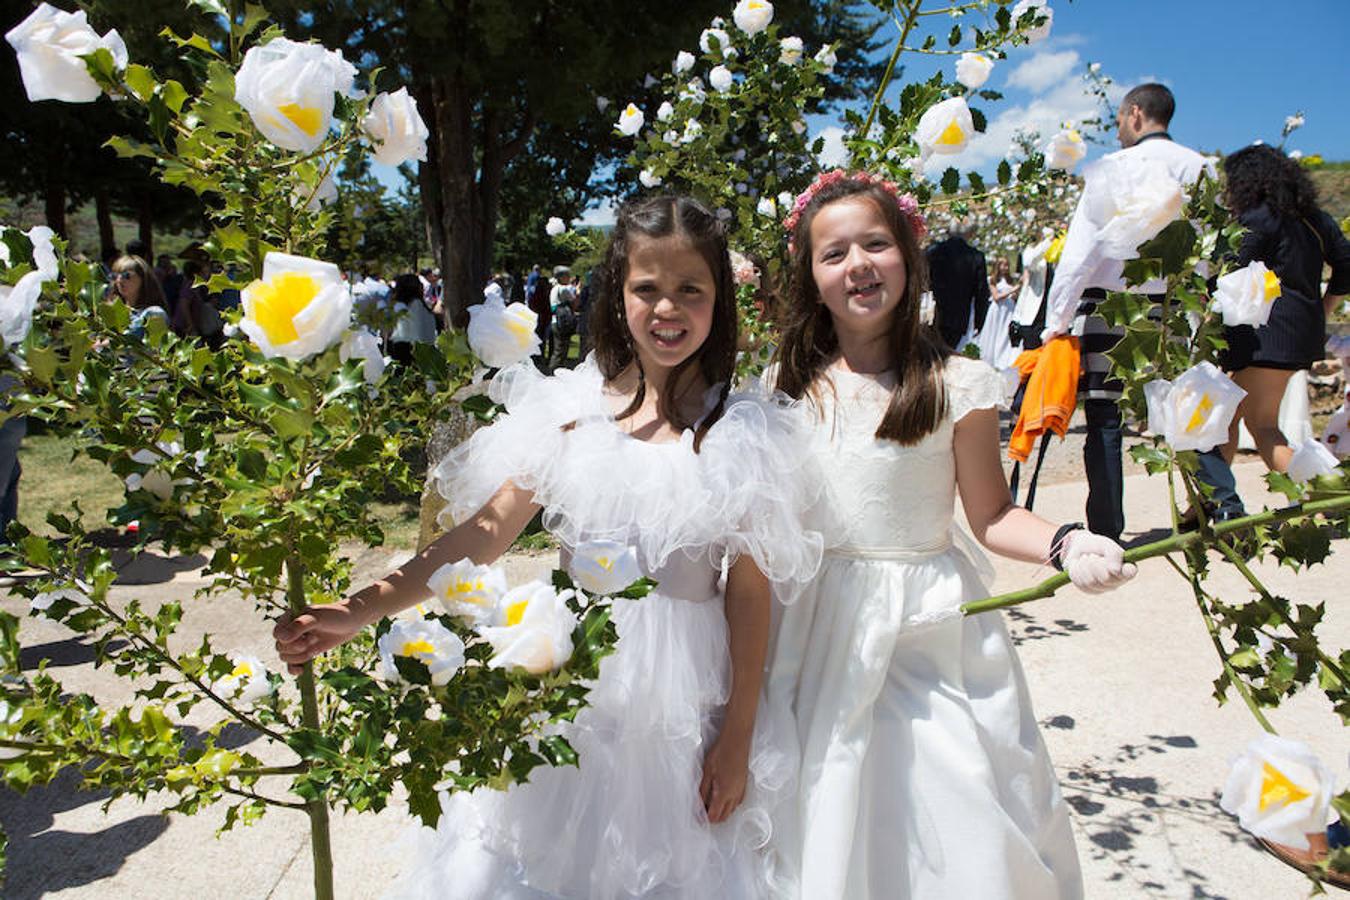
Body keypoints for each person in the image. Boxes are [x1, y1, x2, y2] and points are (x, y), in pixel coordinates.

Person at [274, 194, 824, 899]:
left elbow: (749, 594)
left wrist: (738, 733)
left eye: (692, 290)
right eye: (646, 289)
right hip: (570, 677)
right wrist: (359, 610)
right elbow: (482, 535)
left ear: (720, 299)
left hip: (684, 694)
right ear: (616, 292)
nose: (668, 308)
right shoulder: (571, 415)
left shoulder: (741, 432)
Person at [766, 171, 1136, 899]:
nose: (859, 265)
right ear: (810, 277)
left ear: (910, 256)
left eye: (877, 244)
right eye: (833, 253)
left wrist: (1068, 542)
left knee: (945, 786)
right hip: (812, 625)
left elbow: (993, 515)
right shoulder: (786, 382)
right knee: (822, 788)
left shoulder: (955, 383)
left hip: (921, 624)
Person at [1041, 83, 1212, 540]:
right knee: (1180, 412)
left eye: (1118, 119)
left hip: (1110, 305)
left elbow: (1081, 251)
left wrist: (1056, 323)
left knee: (1104, 415)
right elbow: (1211, 249)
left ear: (1135, 113)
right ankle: (1209, 507)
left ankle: (1107, 531)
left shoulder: (1112, 167)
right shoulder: (1201, 168)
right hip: (1176, 305)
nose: (1117, 130)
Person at [1189, 145, 1350, 521]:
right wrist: (1322, 308)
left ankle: (1327, 497)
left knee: (1257, 424)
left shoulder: (1258, 217)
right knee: (1231, 419)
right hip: (1300, 336)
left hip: (1262, 337)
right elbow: (1346, 263)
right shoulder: (1315, 219)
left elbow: (1233, 268)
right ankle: (1206, 504)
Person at [926, 219, 990, 352]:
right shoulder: (976, 257)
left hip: (933, 312)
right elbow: (981, 293)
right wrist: (980, 321)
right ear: (969, 234)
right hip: (958, 317)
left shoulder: (933, 252)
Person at [108, 254, 169, 339]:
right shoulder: (110, 312)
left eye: (126, 275)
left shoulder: (153, 313)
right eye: (114, 276)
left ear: (143, 278)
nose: (119, 280)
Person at [976, 257, 1019, 369]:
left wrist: (1014, 295)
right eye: (1002, 265)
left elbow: (1013, 296)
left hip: (1009, 310)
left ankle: (1004, 358)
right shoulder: (992, 280)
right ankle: (992, 358)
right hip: (998, 310)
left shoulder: (1010, 280)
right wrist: (1013, 290)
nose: (1005, 267)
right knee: (996, 332)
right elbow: (996, 297)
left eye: (1007, 265)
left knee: (1006, 334)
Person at [548, 265, 578, 371]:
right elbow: (575, 303)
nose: (569, 278)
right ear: (561, 277)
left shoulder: (554, 289)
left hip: (555, 321)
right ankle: (553, 372)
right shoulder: (563, 289)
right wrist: (577, 291)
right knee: (561, 350)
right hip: (562, 323)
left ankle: (554, 371)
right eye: (567, 276)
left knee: (557, 349)